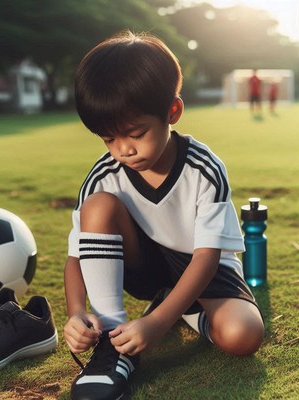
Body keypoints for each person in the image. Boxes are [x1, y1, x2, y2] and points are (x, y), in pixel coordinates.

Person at [63, 30, 265, 400]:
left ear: (172, 111)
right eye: (108, 139)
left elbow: (206, 258)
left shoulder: (204, 168)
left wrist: (158, 322)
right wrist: (76, 312)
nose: (123, 149)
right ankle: (113, 340)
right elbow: (76, 256)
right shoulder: (103, 176)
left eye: (135, 133)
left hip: (203, 265)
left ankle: (184, 310)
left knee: (244, 335)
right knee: (99, 206)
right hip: (144, 265)